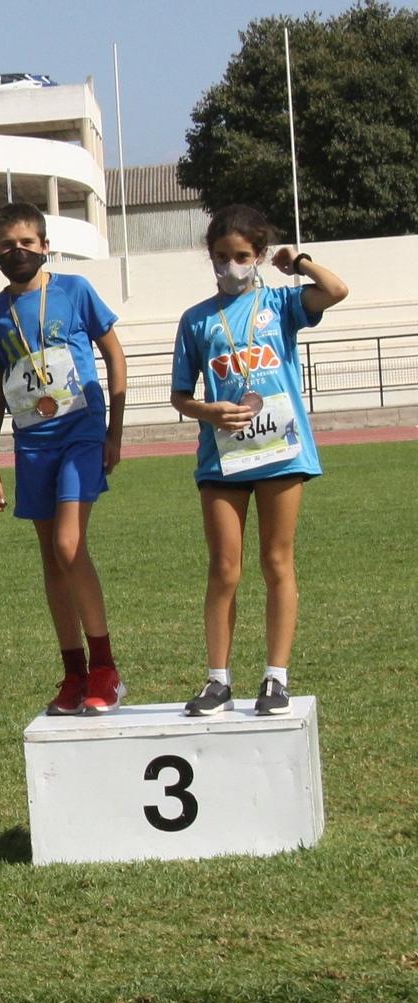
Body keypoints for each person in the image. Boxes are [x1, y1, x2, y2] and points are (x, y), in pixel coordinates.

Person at [169, 205, 348, 718]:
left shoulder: (282, 303)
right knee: (224, 567)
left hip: (281, 452)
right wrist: (207, 409)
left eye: (243, 256)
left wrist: (301, 261)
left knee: (277, 561)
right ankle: (218, 679)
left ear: (261, 256)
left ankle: (276, 677)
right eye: (221, 257)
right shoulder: (197, 319)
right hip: (222, 459)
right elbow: (181, 396)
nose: (231, 266)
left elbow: (336, 291)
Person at [0, 203, 129, 716]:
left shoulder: (75, 291)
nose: (17, 252)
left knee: (70, 544)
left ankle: (106, 667)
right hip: (32, 443)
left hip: (81, 433)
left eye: (26, 243)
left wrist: (115, 429)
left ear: (45, 246)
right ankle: (73, 672)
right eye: (6, 245)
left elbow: (113, 352)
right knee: (51, 558)